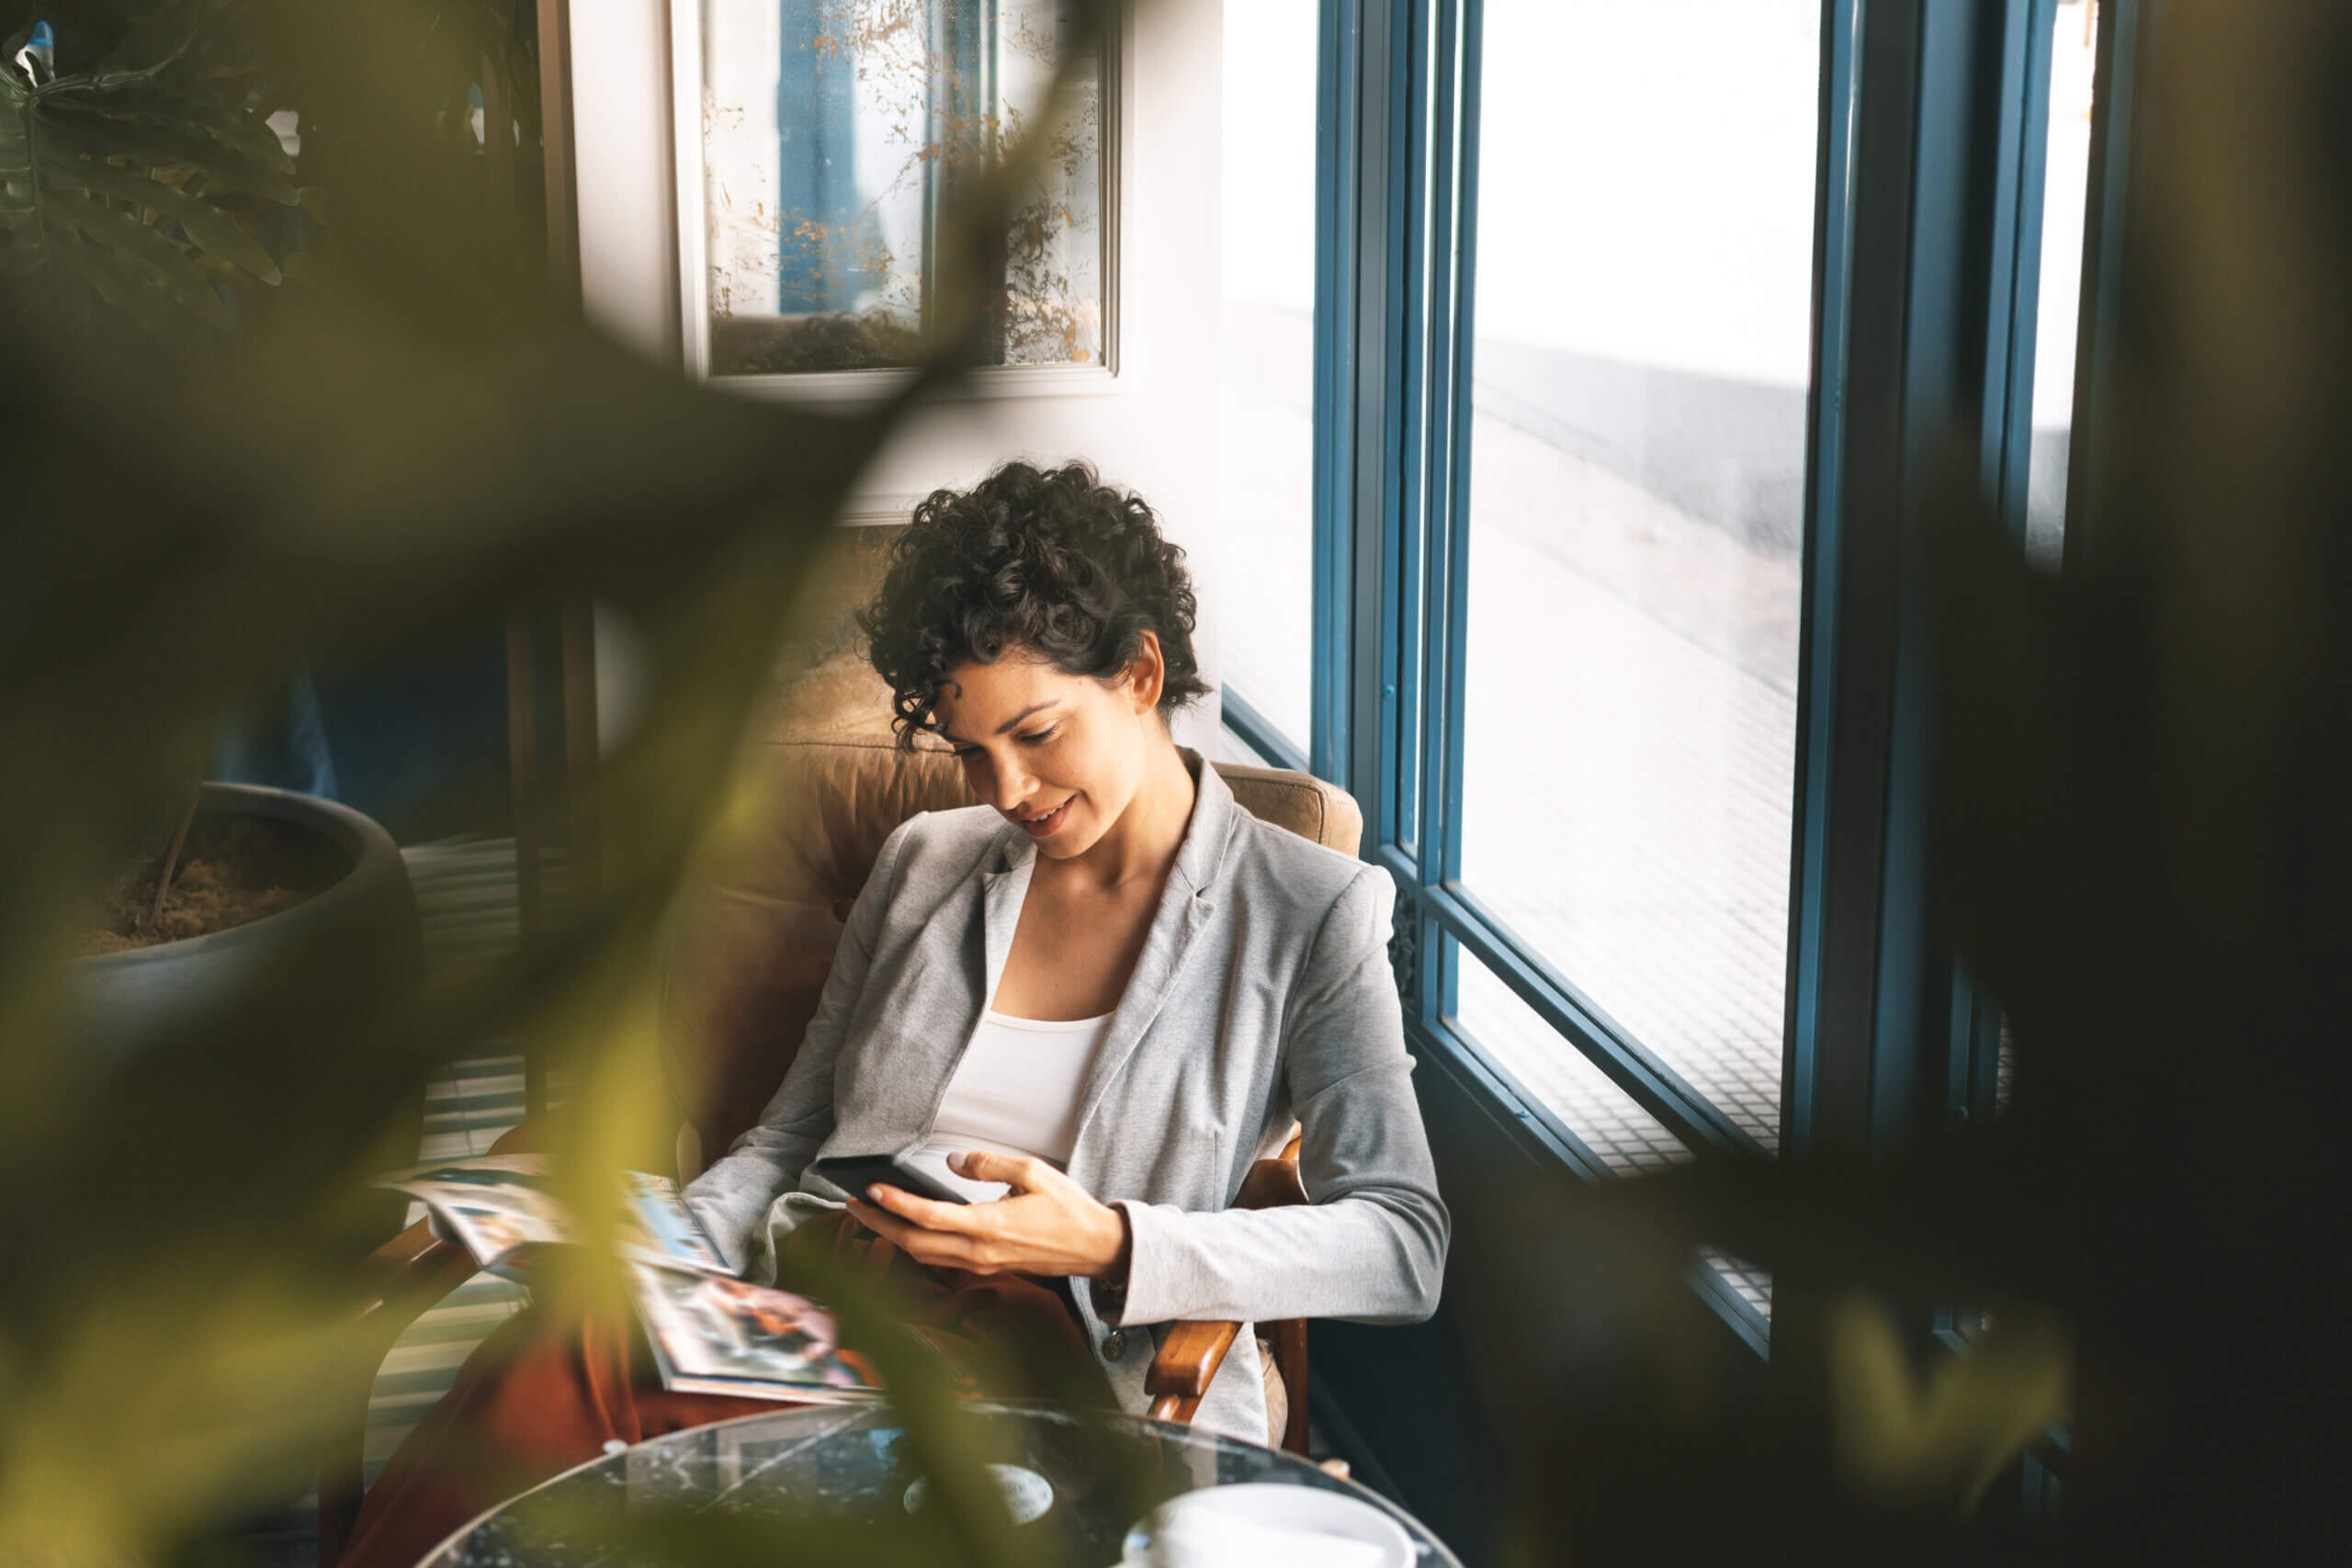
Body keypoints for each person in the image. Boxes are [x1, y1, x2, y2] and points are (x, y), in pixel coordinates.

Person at [336, 459, 1447, 1568]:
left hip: (1046, 1346)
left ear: (1142, 673)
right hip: (826, 1290)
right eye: (973, 751)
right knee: (555, 1360)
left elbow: (1402, 1242)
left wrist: (1110, 1239)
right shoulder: (928, 862)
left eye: (1038, 733)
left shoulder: (1306, 908)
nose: (1006, 791)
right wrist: (670, 1251)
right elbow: (787, 1133)